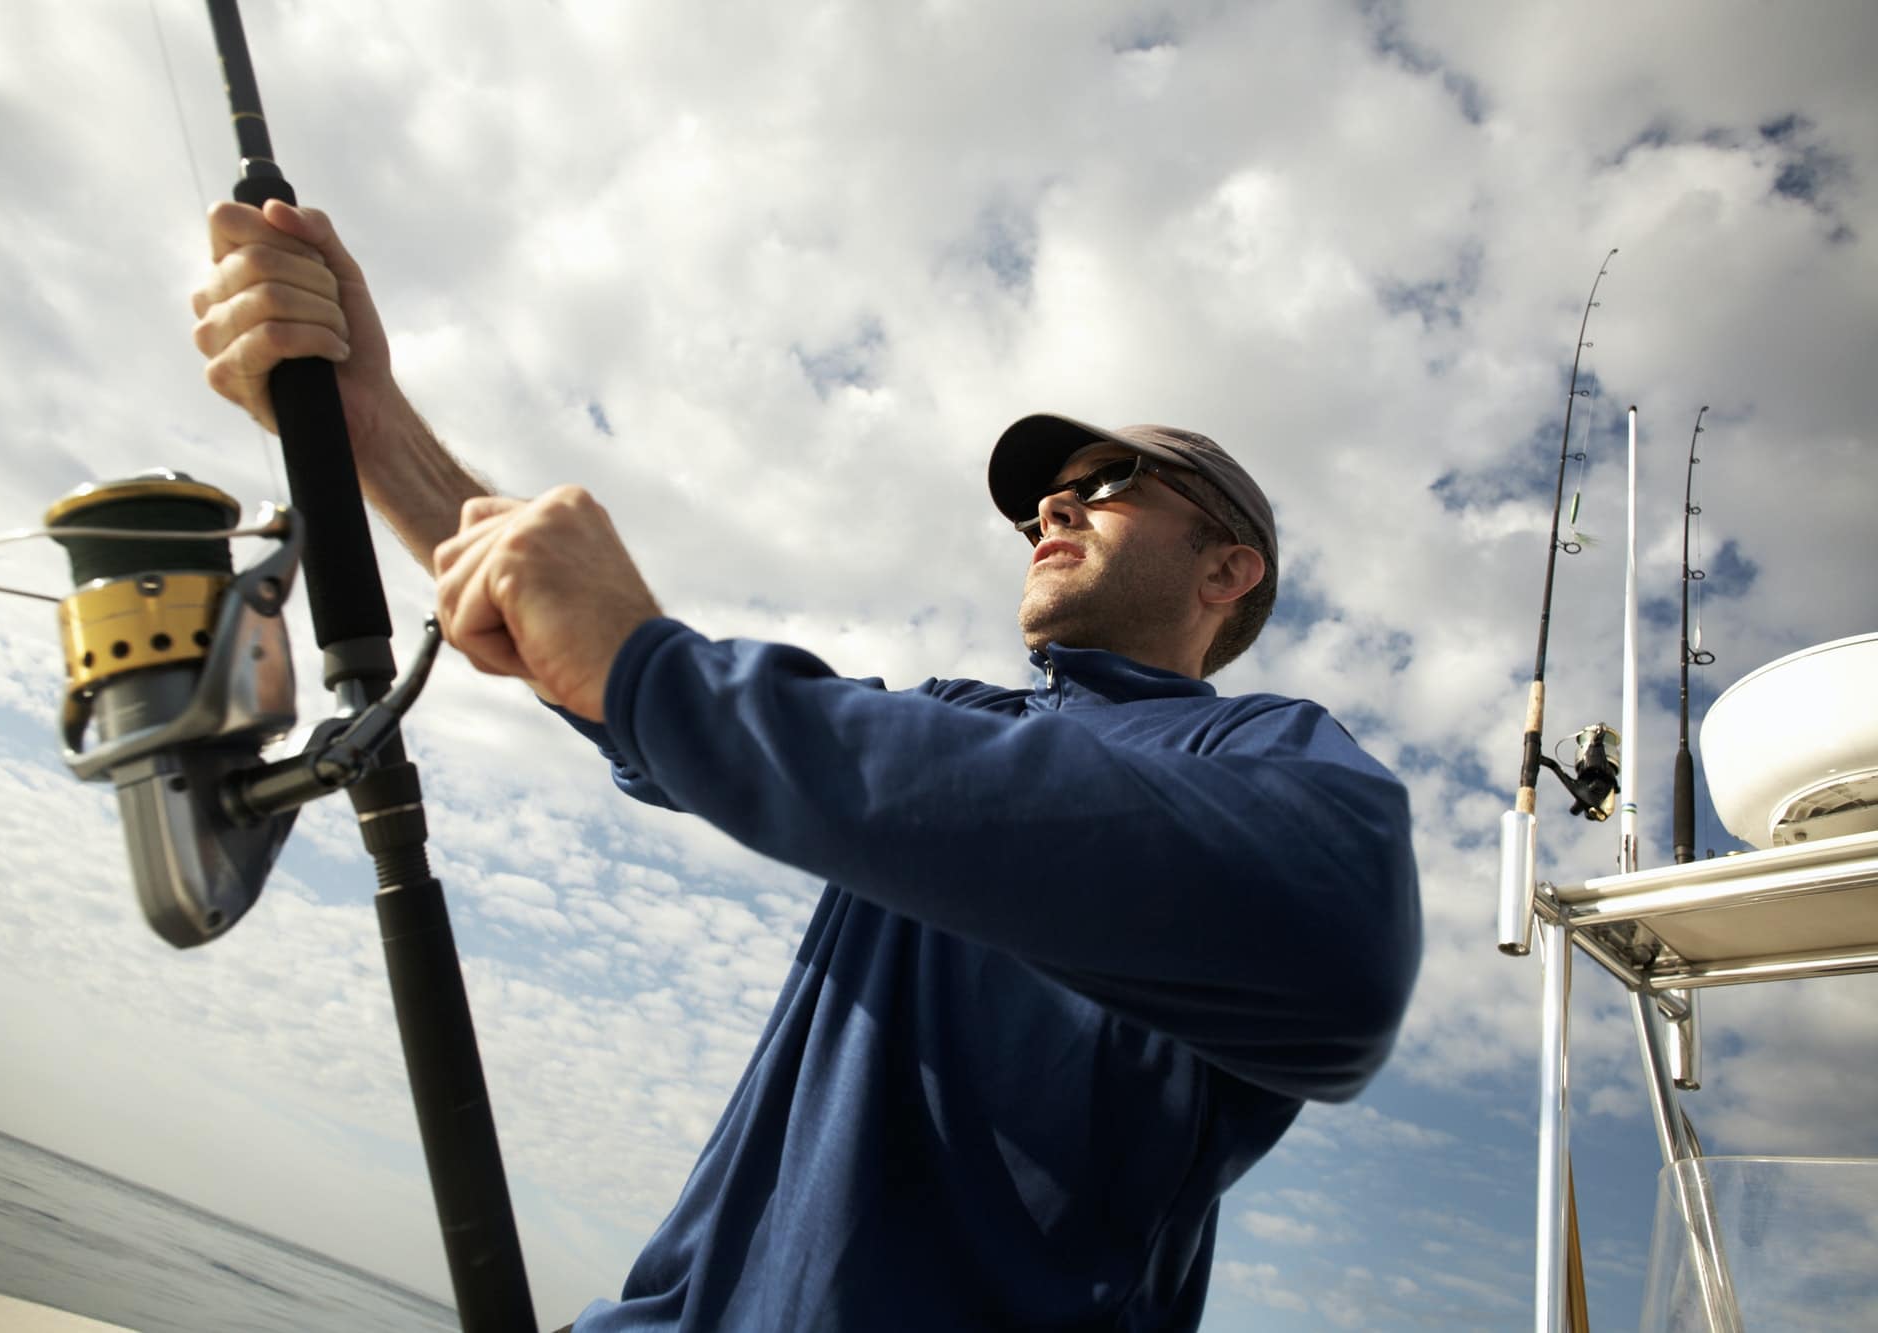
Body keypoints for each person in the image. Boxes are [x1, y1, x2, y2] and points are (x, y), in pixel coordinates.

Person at [192, 199, 1422, 1332]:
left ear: (1227, 570)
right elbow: (658, 712)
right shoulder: (950, 717)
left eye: (1101, 487)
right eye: (1036, 502)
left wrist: (656, 674)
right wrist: (372, 426)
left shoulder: (1262, 757)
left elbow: (1340, 941)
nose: (1050, 511)